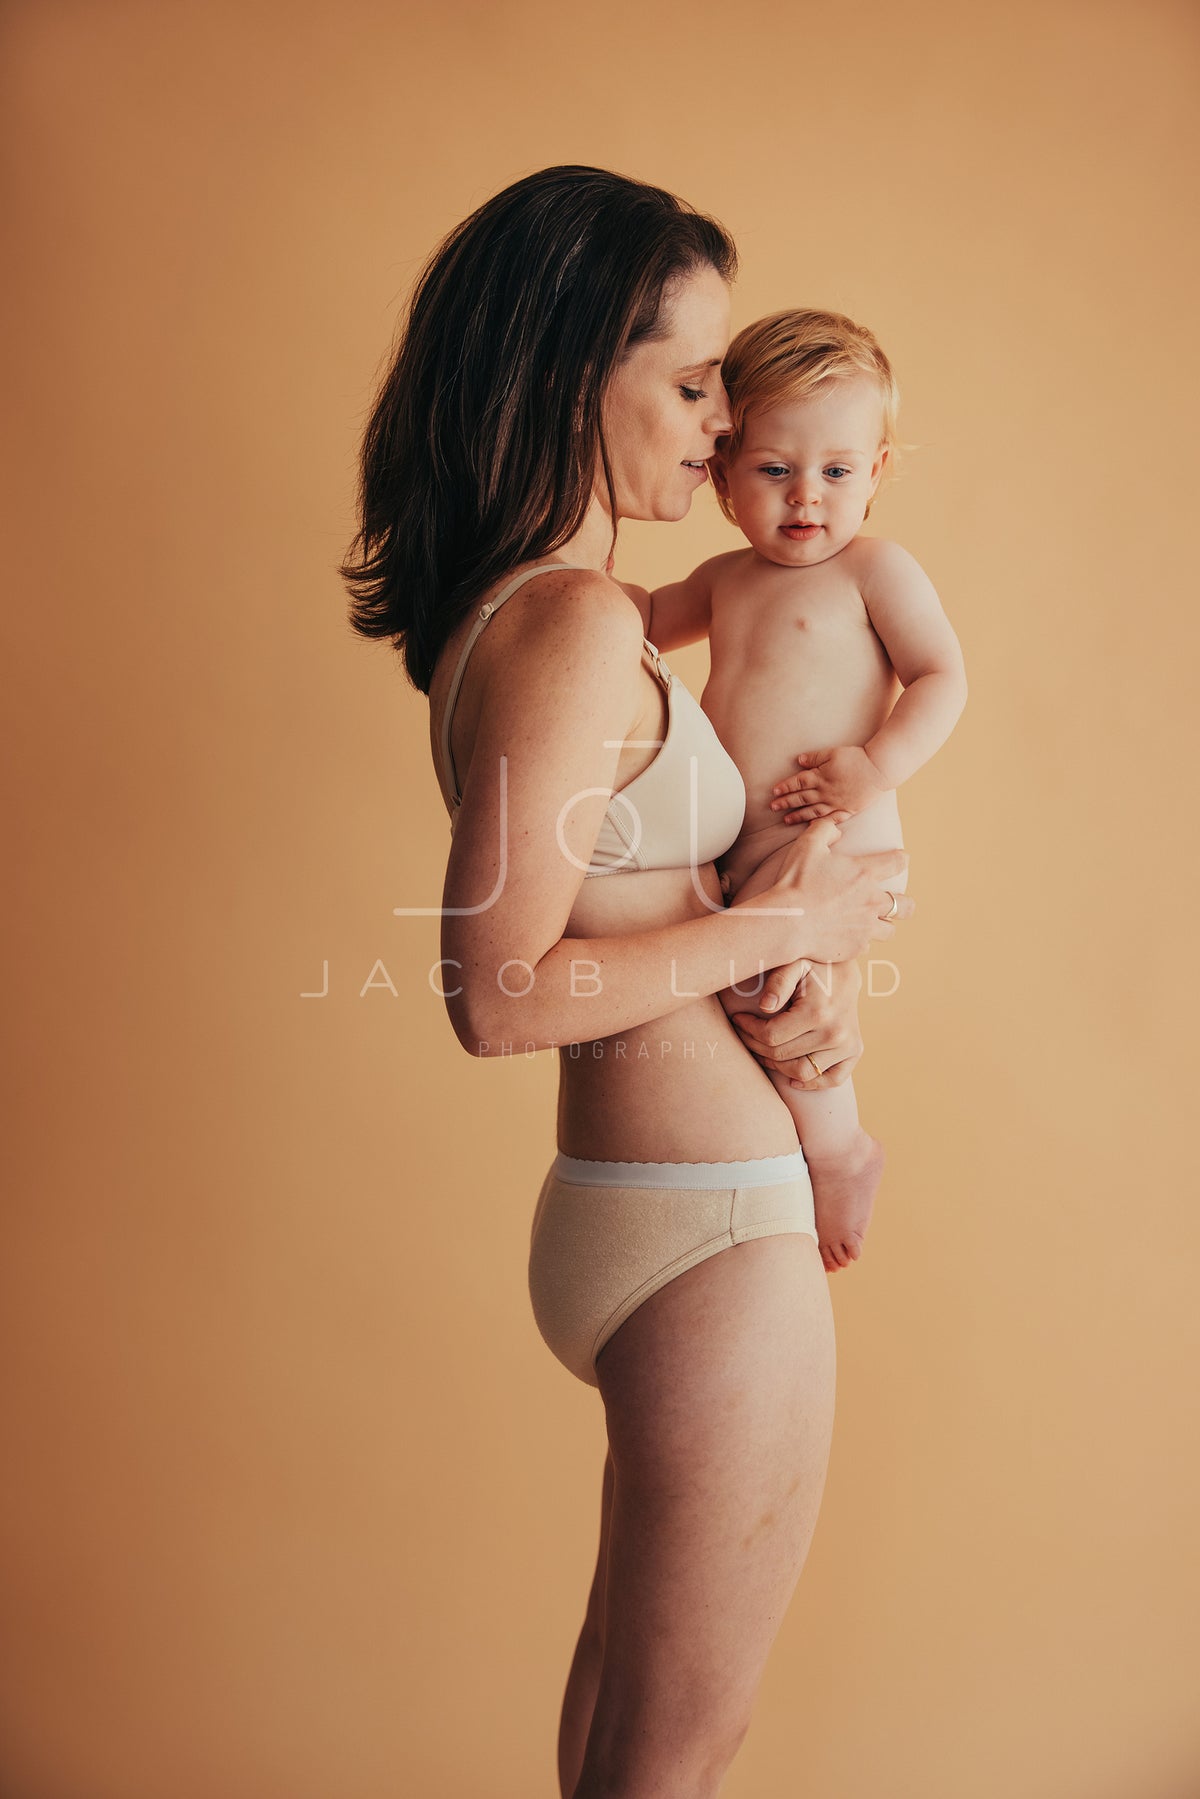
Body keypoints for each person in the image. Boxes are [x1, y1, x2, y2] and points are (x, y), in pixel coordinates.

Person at [339, 167, 914, 1799]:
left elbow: (638, 912)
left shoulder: (531, 619)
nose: (724, 422)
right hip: (708, 1224)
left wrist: (807, 964)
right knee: (674, 1748)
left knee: (617, 1733)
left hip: (650, 1207)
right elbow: (499, 988)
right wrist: (778, 939)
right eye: (687, 379)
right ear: (563, 375)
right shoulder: (578, 618)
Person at [619, 309, 967, 1276]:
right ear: (724, 477)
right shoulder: (726, 577)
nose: (807, 496)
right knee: (746, 988)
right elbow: (636, 617)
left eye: (838, 471)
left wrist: (877, 765)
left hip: (834, 841)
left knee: (790, 993)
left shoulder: (874, 571)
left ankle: (839, 1147)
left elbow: (943, 676)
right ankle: (788, 1145)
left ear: (879, 471)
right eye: (774, 470)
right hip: (744, 850)